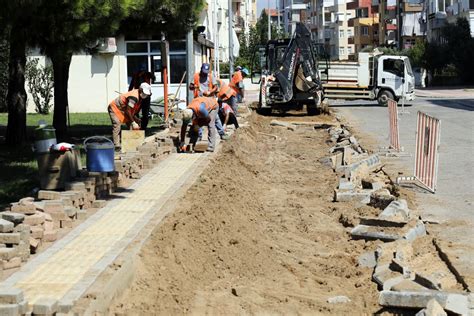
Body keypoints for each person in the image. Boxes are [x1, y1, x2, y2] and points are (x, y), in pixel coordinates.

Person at [108, 82, 152, 150]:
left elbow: (131, 110)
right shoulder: (133, 97)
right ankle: (116, 145)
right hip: (115, 108)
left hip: (124, 109)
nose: (145, 95)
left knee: (133, 125)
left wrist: (135, 119)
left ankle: (134, 143)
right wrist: (133, 122)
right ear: (140, 89)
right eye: (144, 93)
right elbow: (128, 111)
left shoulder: (140, 97)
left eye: (146, 94)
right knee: (117, 124)